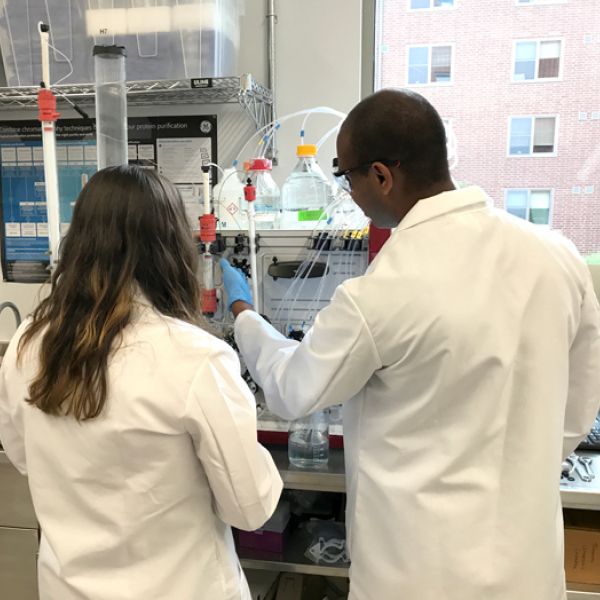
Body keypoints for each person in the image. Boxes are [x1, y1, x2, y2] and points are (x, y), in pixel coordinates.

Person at [220, 89, 600, 600]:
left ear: (381, 175)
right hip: (528, 570)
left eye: (346, 175)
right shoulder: (558, 256)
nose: (347, 191)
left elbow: (293, 390)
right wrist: (512, 461)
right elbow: (576, 414)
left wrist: (244, 315)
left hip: (418, 575)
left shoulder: (382, 291)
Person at [0, 165, 282, 600]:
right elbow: (251, 508)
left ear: (79, 241)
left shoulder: (27, 343)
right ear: (171, 247)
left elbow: (22, 456)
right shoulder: (193, 358)